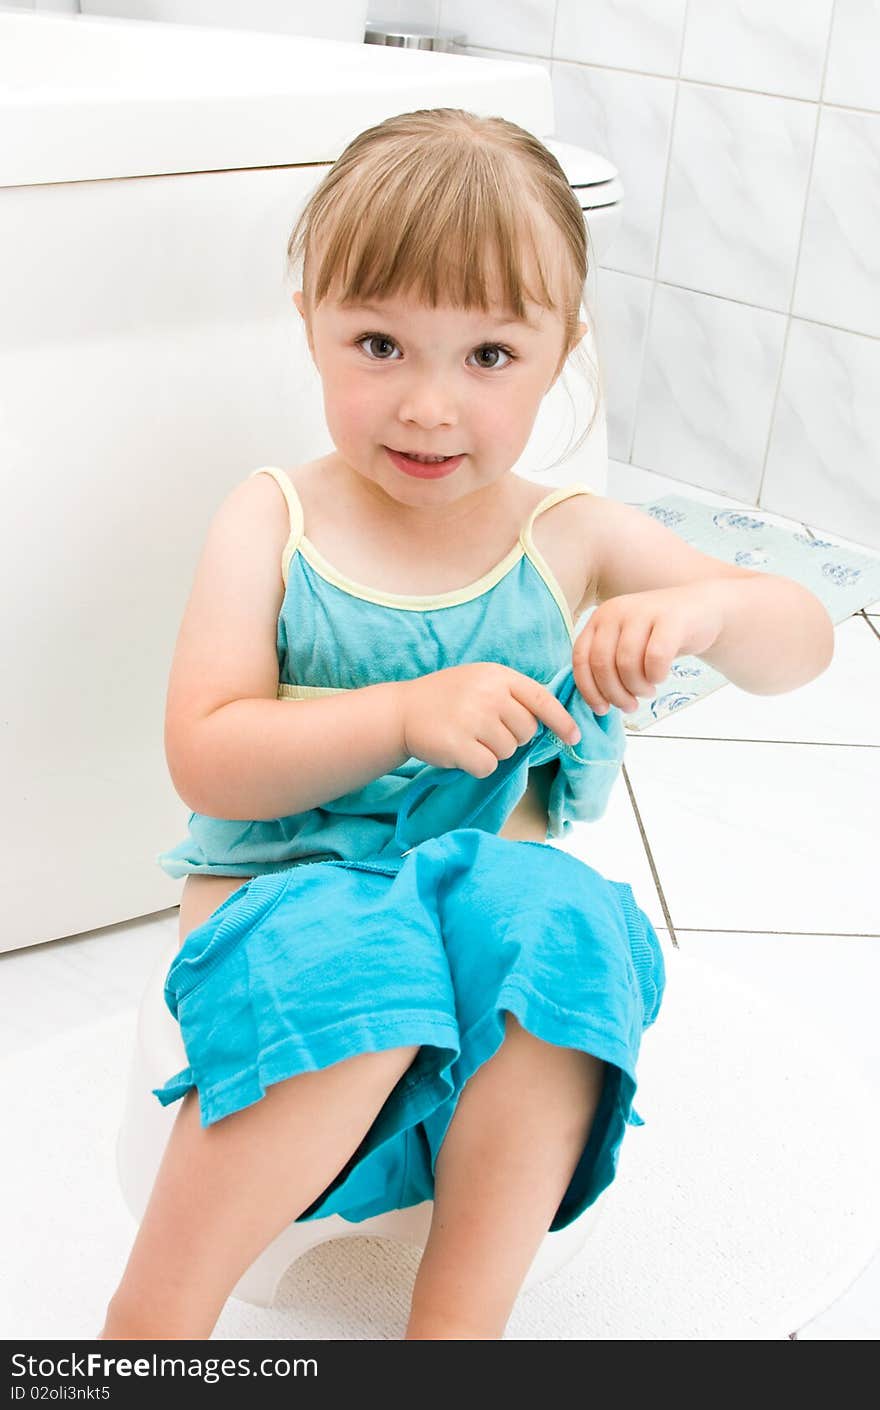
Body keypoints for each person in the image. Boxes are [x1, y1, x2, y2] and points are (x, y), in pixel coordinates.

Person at [100, 108, 835, 1342]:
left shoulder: (575, 537)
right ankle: (155, 1320)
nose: (428, 407)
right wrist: (399, 714)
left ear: (562, 354)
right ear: (311, 326)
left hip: (476, 896)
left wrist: (706, 607)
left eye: (488, 356)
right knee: (360, 962)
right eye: (379, 344)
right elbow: (207, 750)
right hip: (290, 893)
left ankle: (456, 1331)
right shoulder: (276, 521)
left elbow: (798, 643)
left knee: (569, 936)